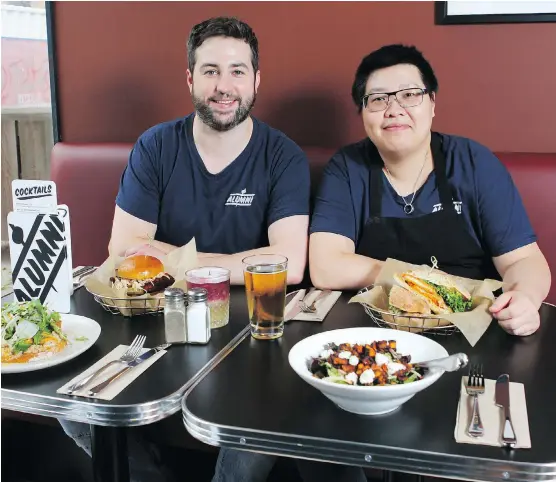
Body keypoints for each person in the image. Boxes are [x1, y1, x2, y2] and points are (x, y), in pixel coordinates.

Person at [60, 16, 365, 482]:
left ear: (257, 80)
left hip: (254, 332)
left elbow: (288, 262)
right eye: (210, 71)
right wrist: (237, 262)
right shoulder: (156, 146)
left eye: (238, 71)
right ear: (190, 78)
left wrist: (174, 257)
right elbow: (123, 251)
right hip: (157, 321)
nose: (225, 86)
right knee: (73, 404)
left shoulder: (281, 155)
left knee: (249, 433)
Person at [309, 44, 551, 337]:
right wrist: (419, 282)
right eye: (378, 99)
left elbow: (523, 260)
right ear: (362, 112)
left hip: (471, 331)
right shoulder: (347, 167)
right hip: (379, 333)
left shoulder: (474, 162)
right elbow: (325, 266)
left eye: (410, 95)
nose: (394, 110)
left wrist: (525, 296)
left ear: (432, 104)